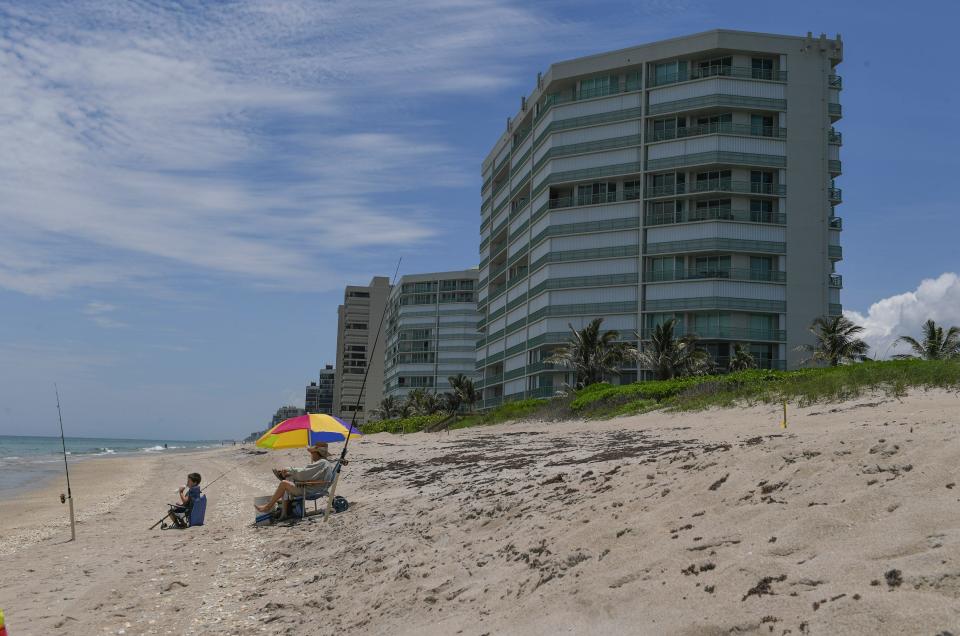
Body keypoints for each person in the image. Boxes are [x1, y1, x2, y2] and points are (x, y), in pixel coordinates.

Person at [254, 443, 345, 516]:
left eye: (312, 452)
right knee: (287, 480)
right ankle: (284, 513)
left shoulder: (322, 462)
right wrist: (291, 474)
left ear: (317, 453)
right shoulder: (324, 463)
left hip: (310, 490)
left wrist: (290, 469)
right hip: (315, 487)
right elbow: (308, 474)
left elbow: (304, 473)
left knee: (284, 483)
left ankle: (268, 507)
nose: (311, 454)